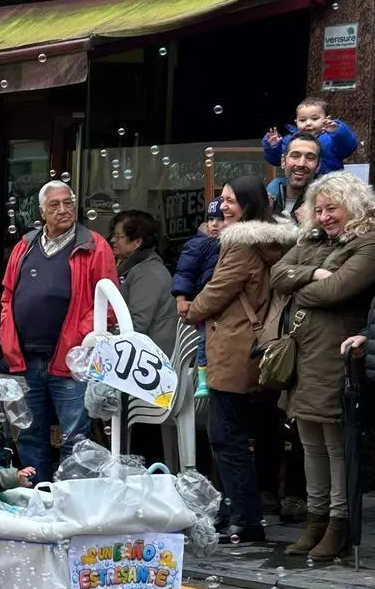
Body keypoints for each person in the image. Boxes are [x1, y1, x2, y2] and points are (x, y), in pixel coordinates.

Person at [182, 174, 298, 543]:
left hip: (234, 348)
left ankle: (245, 518)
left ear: (247, 205)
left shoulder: (241, 246)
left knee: (225, 435)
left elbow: (218, 290)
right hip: (254, 347)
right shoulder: (271, 240)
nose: (223, 205)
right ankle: (236, 509)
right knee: (247, 432)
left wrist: (190, 308)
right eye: (222, 199)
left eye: (231, 199)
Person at [274, 171, 375, 559]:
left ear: (354, 206)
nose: (325, 216)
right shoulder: (313, 240)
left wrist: (299, 287)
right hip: (304, 355)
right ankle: (315, 521)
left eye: (333, 208)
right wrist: (312, 273)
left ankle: (337, 523)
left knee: (335, 446)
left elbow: (336, 291)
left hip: (337, 356)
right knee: (309, 443)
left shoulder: (367, 242)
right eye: (319, 209)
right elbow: (276, 276)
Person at [0, 180, 117, 483]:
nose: (63, 210)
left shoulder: (94, 245)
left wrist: (79, 334)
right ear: (42, 211)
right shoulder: (25, 245)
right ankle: (38, 495)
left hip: (71, 360)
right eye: (54, 205)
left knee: (74, 437)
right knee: (28, 434)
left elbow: (108, 303)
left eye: (68, 202)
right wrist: (7, 334)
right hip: (26, 358)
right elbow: (8, 295)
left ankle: (69, 502)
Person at [173, 197, 225, 394]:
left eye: (220, 219)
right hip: (203, 303)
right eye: (211, 219)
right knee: (204, 341)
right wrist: (181, 298)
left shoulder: (231, 244)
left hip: (220, 304)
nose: (215, 224)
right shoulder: (197, 245)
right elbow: (184, 272)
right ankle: (203, 379)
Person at [110, 210, 177, 358]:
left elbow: (136, 324)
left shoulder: (147, 272)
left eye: (118, 236)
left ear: (137, 242)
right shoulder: (138, 267)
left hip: (148, 360)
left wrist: (106, 344)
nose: (112, 240)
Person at [263, 97, 355, 174]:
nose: (308, 123)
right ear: (296, 122)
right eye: (302, 120)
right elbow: (276, 161)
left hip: (329, 184)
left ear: (327, 119)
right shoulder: (290, 140)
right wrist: (273, 146)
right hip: (299, 182)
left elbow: (348, 148)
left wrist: (337, 132)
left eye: (315, 119)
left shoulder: (332, 138)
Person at [269, 132, 322, 223]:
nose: (301, 164)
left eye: (310, 158)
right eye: (295, 156)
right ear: (283, 161)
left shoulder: (324, 209)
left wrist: (313, 224)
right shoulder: (266, 202)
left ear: (318, 166)